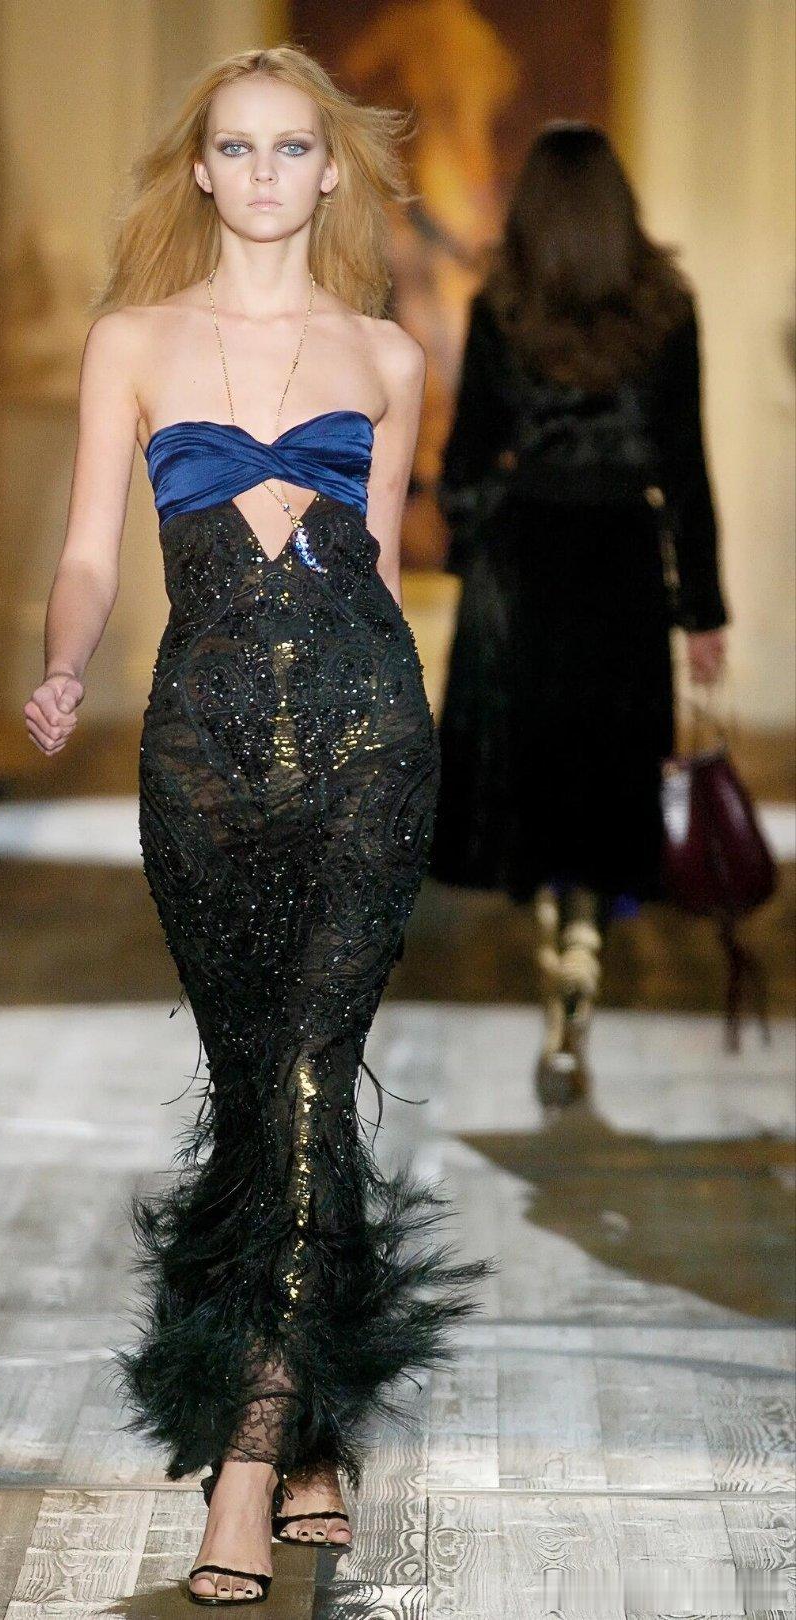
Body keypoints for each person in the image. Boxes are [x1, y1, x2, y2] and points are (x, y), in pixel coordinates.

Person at [23, 44, 495, 1607]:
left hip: (369, 742)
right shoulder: (134, 340)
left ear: (331, 171)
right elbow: (90, 552)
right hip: (203, 756)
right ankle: (316, 1426)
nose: (268, 174)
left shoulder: (389, 356)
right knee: (257, 1091)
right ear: (202, 170)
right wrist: (64, 660)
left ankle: (246, 1454)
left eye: (296, 148)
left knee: (309, 1071)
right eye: (240, 148)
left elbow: (379, 568)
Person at [429, 122, 729, 1105]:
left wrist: (477, 538)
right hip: (623, 566)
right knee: (608, 767)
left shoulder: (502, 308)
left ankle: (558, 933)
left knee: (535, 769)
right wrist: (702, 613)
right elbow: (686, 472)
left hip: (525, 566)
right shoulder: (667, 312)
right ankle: (588, 934)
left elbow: (464, 463)